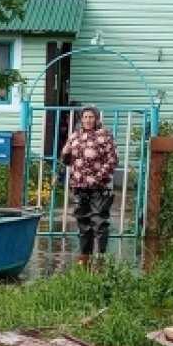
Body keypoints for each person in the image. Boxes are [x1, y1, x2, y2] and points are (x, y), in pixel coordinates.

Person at [59, 105, 118, 266]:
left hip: (100, 187)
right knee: (83, 222)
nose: (88, 120)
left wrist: (98, 178)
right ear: (81, 119)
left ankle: (101, 257)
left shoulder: (105, 136)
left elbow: (112, 161)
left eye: (91, 117)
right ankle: (85, 256)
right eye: (85, 117)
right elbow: (65, 161)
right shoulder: (75, 136)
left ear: (97, 118)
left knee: (99, 222)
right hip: (79, 185)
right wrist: (65, 152)